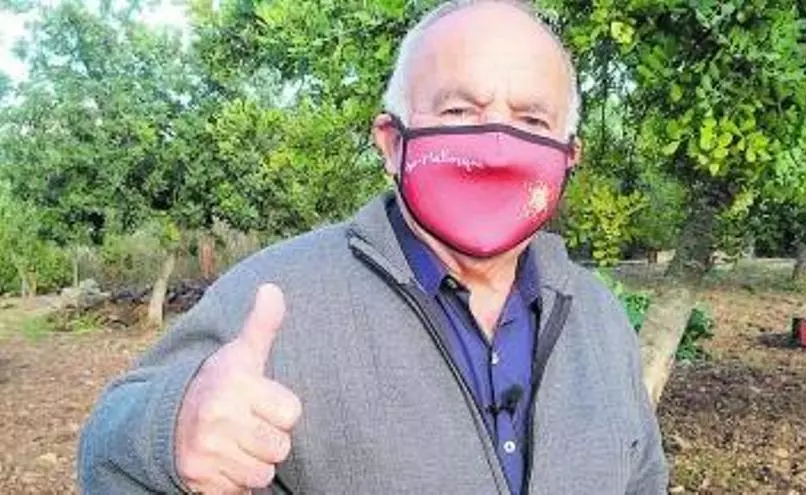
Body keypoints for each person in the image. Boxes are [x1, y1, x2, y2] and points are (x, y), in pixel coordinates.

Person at [78, 1, 668, 493]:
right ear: (391, 142)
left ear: (569, 157)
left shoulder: (599, 318)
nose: (495, 147)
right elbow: (106, 457)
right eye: (459, 110)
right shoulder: (276, 299)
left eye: (532, 121)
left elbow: (642, 478)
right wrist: (169, 432)